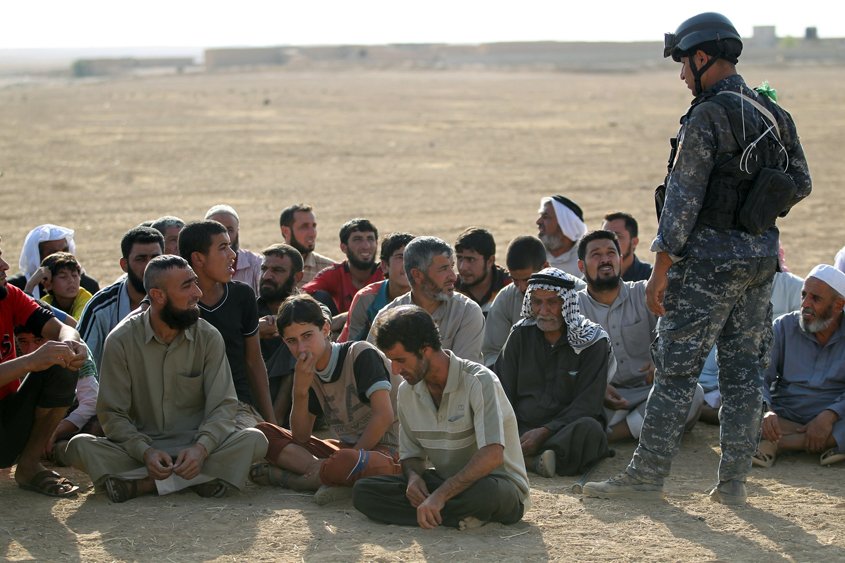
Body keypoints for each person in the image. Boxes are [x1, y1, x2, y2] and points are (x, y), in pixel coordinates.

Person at [583, 12, 812, 506]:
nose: (682, 75)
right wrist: (758, 210)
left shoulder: (708, 115)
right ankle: (732, 483)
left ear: (703, 57)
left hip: (706, 264)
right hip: (759, 261)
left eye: (685, 64)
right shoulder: (774, 113)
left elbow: (683, 200)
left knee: (676, 371)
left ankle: (646, 476)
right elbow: (802, 182)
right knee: (743, 373)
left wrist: (658, 274)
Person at [65, 255, 268, 502]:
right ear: (158, 296)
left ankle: (147, 485)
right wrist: (145, 452)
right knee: (79, 446)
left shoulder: (208, 337)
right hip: (142, 446)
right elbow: (112, 414)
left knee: (255, 440)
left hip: (196, 443)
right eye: (187, 286)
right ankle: (200, 480)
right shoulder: (121, 341)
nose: (197, 293)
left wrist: (201, 449)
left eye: (195, 283)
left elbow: (223, 406)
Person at [353, 305, 530, 530]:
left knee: (487, 495)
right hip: (448, 484)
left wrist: (440, 496)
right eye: (391, 361)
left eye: (401, 360)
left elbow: (492, 455)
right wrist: (414, 479)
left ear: (425, 350)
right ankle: (453, 517)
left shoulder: (480, 380)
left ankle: (439, 510)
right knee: (364, 492)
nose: (395, 370)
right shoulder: (408, 391)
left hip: (496, 485)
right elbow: (411, 456)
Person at [250, 294, 401, 505]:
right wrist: (300, 391)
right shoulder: (307, 372)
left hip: (389, 451)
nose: (301, 348)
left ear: (326, 329)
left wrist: (352, 458)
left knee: (347, 462)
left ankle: (296, 480)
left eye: (307, 335)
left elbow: (384, 416)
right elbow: (301, 438)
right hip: (346, 449)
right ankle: (330, 475)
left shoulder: (359, 354)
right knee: (262, 434)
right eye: (292, 341)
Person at [575, 230, 703, 442]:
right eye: (596, 254)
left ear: (621, 259)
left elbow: (683, 330)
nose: (605, 259)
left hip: (651, 390)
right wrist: (596, 385)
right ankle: (648, 426)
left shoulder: (646, 293)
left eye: (610, 253)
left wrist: (663, 358)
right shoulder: (573, 308)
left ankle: (609, 436)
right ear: (581, 266)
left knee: (692, 394)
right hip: (604, 397)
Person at [495, 267, 611, 477]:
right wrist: (509, 429)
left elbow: (588, 404)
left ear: (567, 304)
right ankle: (532, 460)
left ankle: (518, 457)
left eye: (552, 303)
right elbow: (502, 390)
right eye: (537, 302)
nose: (543, 310)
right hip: (521, 426)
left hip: (564, 429)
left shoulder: (592, 342)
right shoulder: (520, 335)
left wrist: (545, 431)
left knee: (590, 430)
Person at [1, 238, 89, 497]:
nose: (5, 265)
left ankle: (28, 465)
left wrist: (71, 344)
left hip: (7, 422)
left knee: (62, 363)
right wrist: (31, 361)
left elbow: (64, 327)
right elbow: (32, 361)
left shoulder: (10, 295)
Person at [179, 220, 277, 427]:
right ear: (198, 258)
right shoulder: (178, 303)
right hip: (189, 411)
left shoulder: (241, 295)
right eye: (223, 248)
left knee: (266, 443)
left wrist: (272, 422)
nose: (233, 255)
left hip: (238, 406)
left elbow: (254, 361)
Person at [753, 265, 845, 467]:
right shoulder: (783, 326)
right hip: (784, 412)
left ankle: (776, 444)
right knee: (736, 410)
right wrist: (766, 410)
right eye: (804, 295)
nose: (805, 304)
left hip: (835, 417)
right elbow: (759, 375)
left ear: (839, 304)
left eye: (815, 299)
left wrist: (830, 415)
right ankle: (828, 443)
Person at [367, 236, 484, 364]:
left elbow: (464, 374)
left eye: (452, 267)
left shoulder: (466, 312)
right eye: (444, 269)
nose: (453, 277)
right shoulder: (387, 317)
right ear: (418, 275)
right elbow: (374, 370)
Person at [78, 226, 164, 369]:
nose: (149, 266)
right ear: (124, 265)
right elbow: (82, 363)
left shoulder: (180, 299)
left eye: (156, 258)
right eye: (141, 259)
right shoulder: (100, 307)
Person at [256, 243, 304, 425]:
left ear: (297, 277)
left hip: (300, 396)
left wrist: (283, 324)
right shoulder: (248, 308)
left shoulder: (310, 307)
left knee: (297, 341)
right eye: (264, 269)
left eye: (277, 270)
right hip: (257, 387)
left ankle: (275, 421)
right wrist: (255, 330)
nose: (267, 276)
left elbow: (324, 320)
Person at [482, 235, 548, 367]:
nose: (521, 287)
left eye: (527, 280)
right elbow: (492, 353)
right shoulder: (506, 298)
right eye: (515, 280)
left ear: (545, 267)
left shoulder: (573, 293)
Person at [339, 232, 415, 343]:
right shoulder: (366, 299)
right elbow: (348, 346)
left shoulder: (428, 298)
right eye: (400, 257)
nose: (407, 263)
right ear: (384, 266)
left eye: (413, 258)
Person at [302, 217, 383, 318]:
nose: (366, 246)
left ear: (376, 244)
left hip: (381, 330)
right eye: (357, 239)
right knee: (316, 297)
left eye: (370, 239)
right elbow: (302, 296)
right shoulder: (335, 273)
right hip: (340, 332)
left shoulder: (386, 274)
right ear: (343, 247)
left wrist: (345, 317)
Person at [8, 224, 99, 299]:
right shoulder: (14, 287)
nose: (61, 257)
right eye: (53, 253)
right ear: (37, 257)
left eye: (65, 250)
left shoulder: (88, 285)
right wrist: (30, 287)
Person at [205, 204, 263, 294]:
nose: (225, 236)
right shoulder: (198, 265)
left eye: (229, 230)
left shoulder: (256, 263)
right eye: (217, 230)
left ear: (237, 231)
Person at [454, 227, 511, 315]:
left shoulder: (510, 287)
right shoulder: (451, 288)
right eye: (459, 258)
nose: (462, 267)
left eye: (471, 259)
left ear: (490, 261)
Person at [279, 204, 336, 287]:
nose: (312, 233)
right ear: (285, 231)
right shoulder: (266, 266)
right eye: (304, 226)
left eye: (314, 226)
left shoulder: (329, 270)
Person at [28, 252, 93, 320]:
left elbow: (77, 326)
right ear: (48, 284)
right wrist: (30, 285)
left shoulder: (85, 298)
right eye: (63, 277)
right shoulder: (46, 301)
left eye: (74, 275)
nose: (71, 280)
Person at [536, 195, 587, 276]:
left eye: (545, 217)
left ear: (565, 225)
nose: (538, 222)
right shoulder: (533, 255)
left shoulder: (586, 260)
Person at [601, 212, 653, 282]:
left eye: (617, 236)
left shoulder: (652, 277)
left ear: (634, 242)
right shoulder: (592, 278)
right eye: (604, 236)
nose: (608, 242)